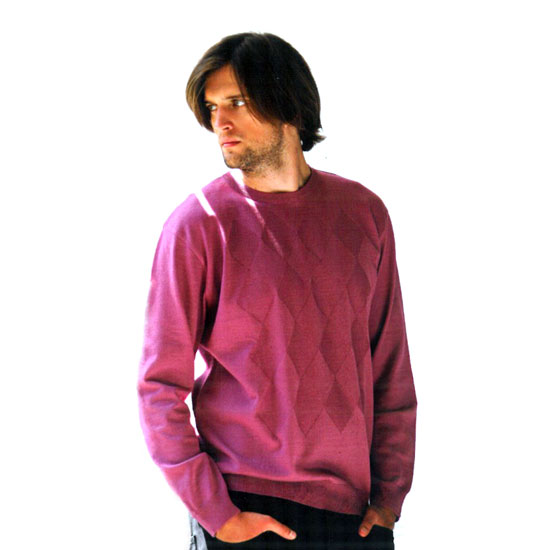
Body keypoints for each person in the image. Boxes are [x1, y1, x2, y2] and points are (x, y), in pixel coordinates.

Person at [138, 32, 416, 550]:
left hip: (355, 516)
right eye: (212, 107)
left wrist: (389, 499)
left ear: (288, 102)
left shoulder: (364, 215)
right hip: (245, 508)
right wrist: (218, 515)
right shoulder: (199, 225)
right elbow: (158, 387)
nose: (220, 122)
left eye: (238, 102)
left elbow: (390, 368)